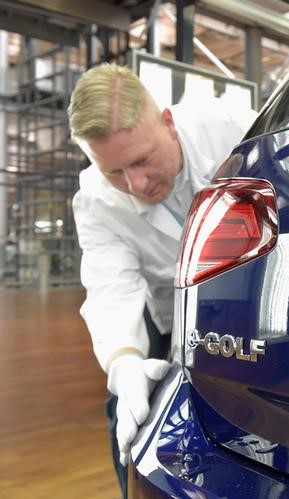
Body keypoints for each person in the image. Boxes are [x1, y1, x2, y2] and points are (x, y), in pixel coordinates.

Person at [68, 63, 256, 496]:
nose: (134, 184)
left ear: (168, 124)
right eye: (113, 172)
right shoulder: (95, 202)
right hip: (166, 310)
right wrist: (124, 363)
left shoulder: (233, 129)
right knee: (129, 410)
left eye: (141, 160)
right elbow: (111, 287)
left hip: (248, 295)